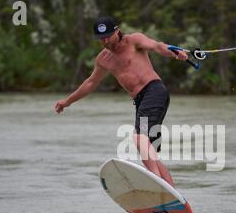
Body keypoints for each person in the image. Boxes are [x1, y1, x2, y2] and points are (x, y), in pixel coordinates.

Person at [55, 16, 187, 187]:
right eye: (101, 38)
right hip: (141, 101)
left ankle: (155, 183)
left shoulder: (134, 41)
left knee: (139, 138)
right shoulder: (103, 59)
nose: (105, 41)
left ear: (117, 31)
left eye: (108, 36)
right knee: (149, 153)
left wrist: (176, 53)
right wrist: (67, 101)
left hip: (154, 91)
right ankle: (172, 196)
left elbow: (157, 46)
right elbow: (90, 83)